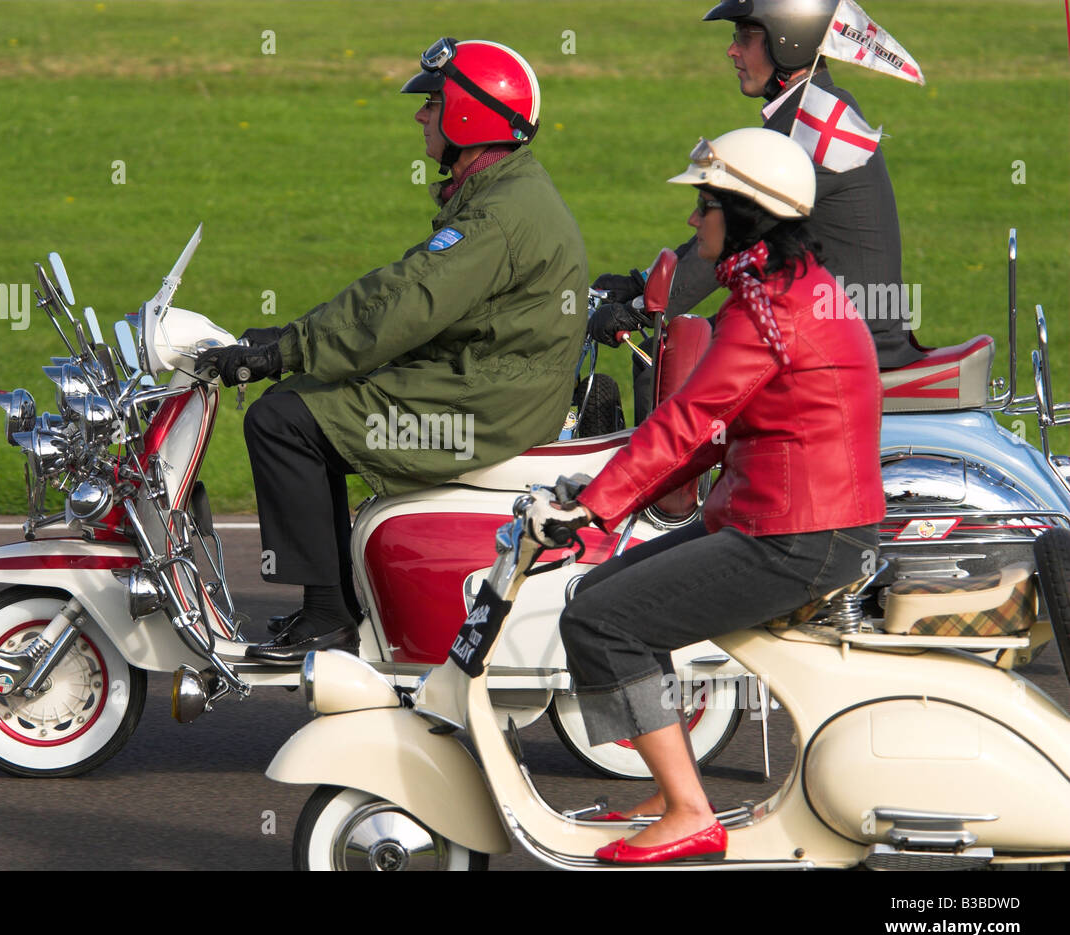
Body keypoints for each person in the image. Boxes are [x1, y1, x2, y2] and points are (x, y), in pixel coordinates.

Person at [528, 127, 884, 864]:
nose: (693, 222)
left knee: (601, 620)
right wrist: (605, 494)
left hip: (793, 537)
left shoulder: (769, 309)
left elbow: (692, 419)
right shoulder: (795, 287)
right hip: (800, 522)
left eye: (704, 205)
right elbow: (721, 424)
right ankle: (672, 786)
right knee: (601, 591)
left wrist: (594, 506)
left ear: (743, 213)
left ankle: (690, 809)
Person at [199, 38, 588, 664]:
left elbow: (405, 304)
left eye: (432, 104)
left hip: (484, 409)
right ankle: (336, 604)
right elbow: (403, 297)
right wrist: (292, 343)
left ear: (470, 115)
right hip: (488, 386)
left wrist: (287, 349)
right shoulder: (504, 192)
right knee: (303, 405)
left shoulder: (496, 218)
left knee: (283, 419)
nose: (420, 116)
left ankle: (328, 617)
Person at [591, 0, 924, 421]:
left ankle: (667, 488)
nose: (732, 51)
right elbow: (724, 224)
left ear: (789, 41)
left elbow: (732, 236)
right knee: (684, 342)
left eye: (746, 37)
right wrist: (643, 282)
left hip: (844, 338)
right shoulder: (810, 109)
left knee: (667, 359)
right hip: (832, 324)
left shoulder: (810, 126)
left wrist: (645, 309)